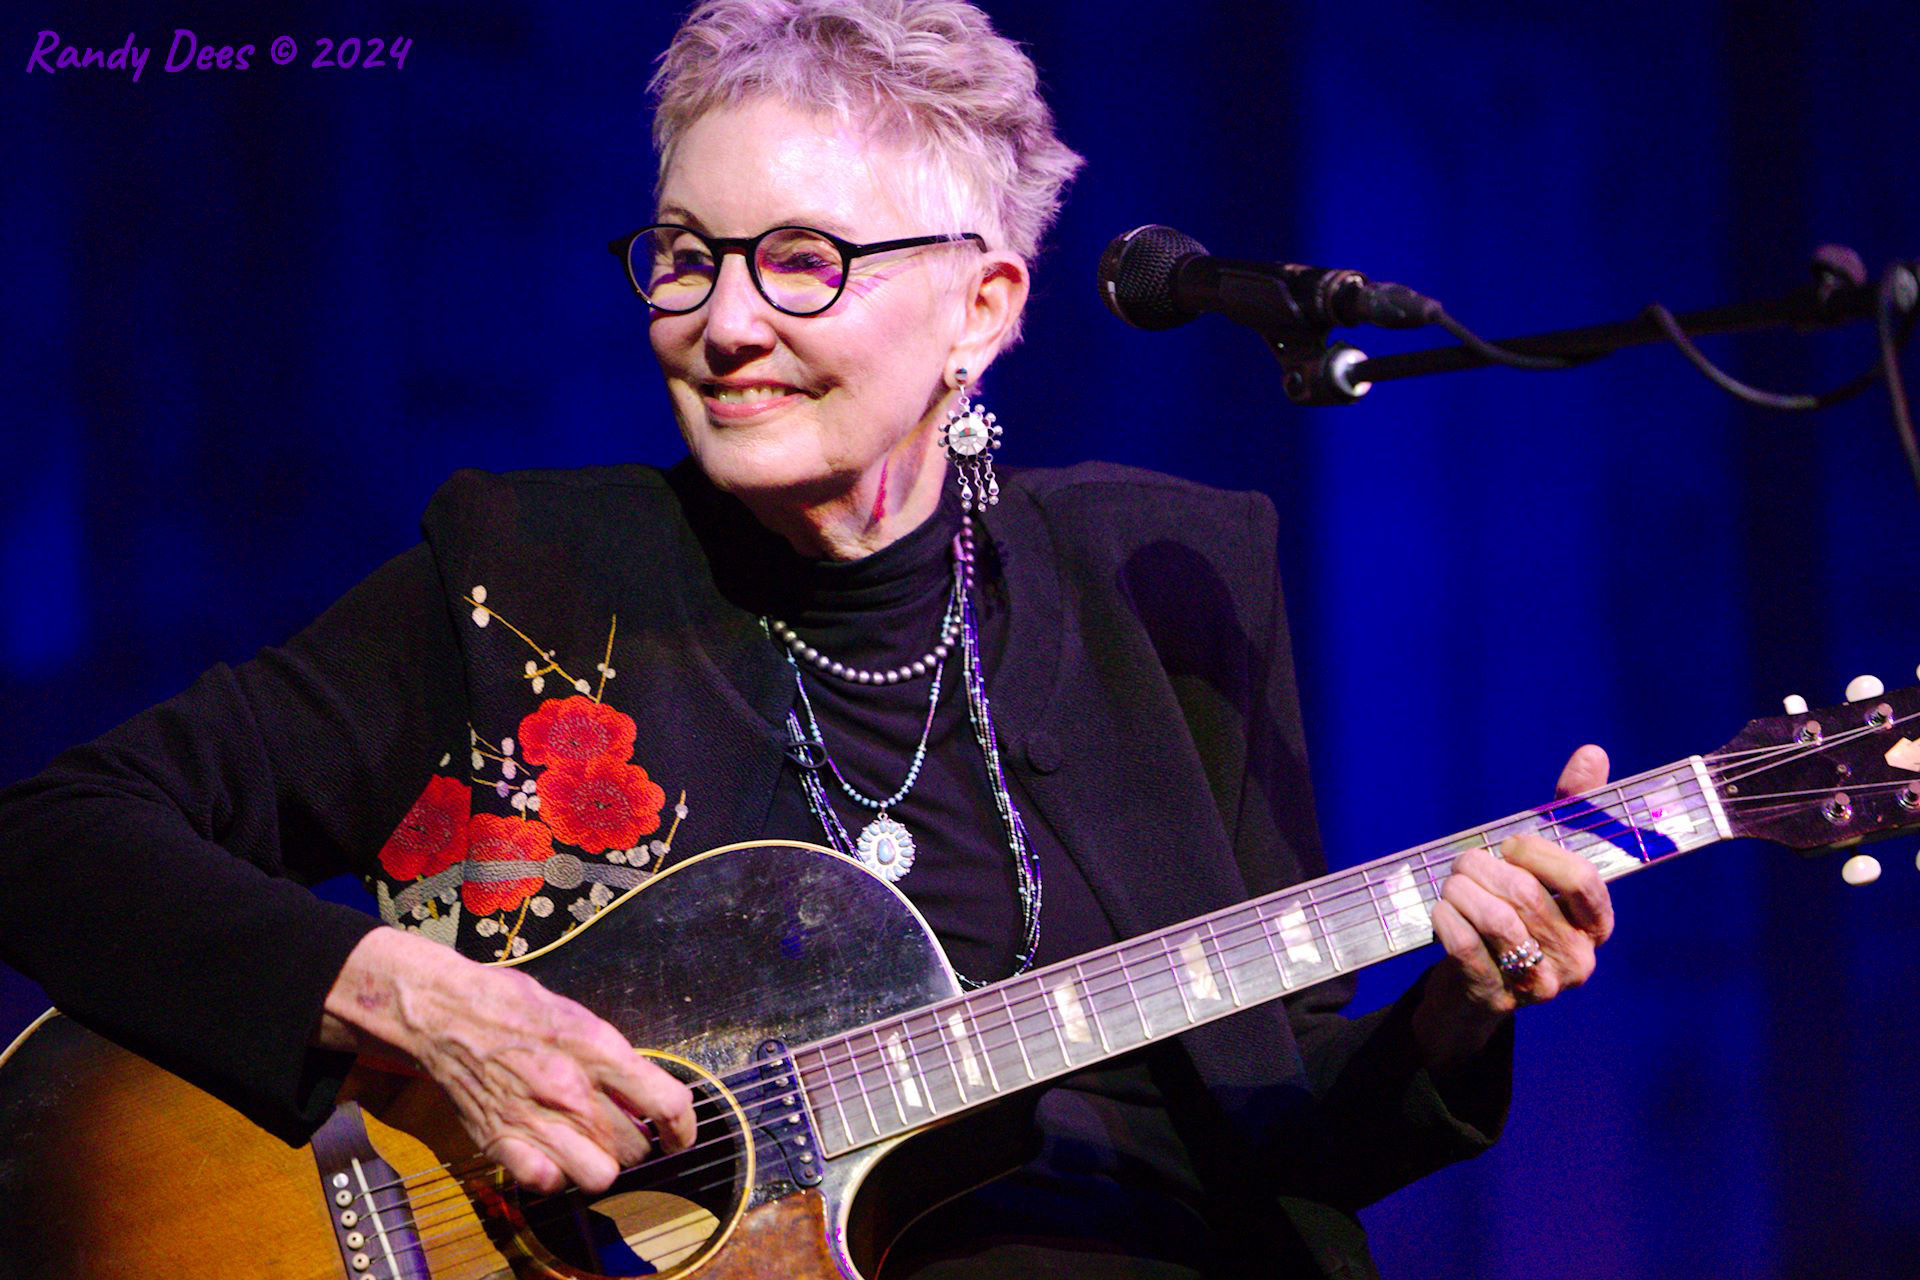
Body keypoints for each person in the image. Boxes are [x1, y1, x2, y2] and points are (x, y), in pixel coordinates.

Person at [0, 1, 1616, 1276]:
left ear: (983, 309)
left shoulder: (1172, 576)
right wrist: (409, 1001)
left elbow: (1287, 1129)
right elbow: (52, 839)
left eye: (802, 261)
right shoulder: (525, 575)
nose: (724, 322)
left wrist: (1463, 1003)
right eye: (686, 257)